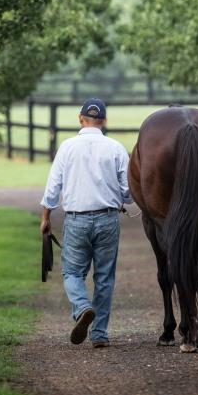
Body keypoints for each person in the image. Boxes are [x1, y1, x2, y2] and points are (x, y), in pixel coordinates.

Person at [39, 97, 133, 348]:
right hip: (108, 218)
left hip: (77, 219)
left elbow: (53, 188)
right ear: (104, 121)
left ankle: (82, 307)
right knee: (104, 277)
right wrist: (117, 198)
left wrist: (46, 218)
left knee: (71, 272)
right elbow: (129, 193)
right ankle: (100, 333)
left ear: (80, 119)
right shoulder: (116, 148)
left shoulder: (67, 147)